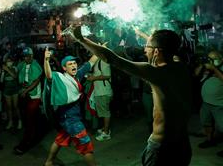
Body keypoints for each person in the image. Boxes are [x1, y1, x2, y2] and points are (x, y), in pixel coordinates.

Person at [69, 26, 192, 166]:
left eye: (147, 46)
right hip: (183, 143)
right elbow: (169, 48)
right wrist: (147, 36)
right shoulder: (180, 66)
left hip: (162, 147)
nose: (145, 49)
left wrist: (81, 39)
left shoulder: (155, 72)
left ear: (157, 51)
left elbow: (112, 59)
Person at [43, 48, 98, 166]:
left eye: (75, 63)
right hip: (71, 119)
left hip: (70, 118)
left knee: (60, 140)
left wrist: (99, 50)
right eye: (70, 64)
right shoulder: (60, 77)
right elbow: (48, 75)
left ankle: (49, 162)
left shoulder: (77, 75)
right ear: (64, 68)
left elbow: (91, 62)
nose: (74, 65)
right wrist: (46, 60)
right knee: (86, 146)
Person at [14, 47, 43, 154]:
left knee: (29, 120)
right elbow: (19, 76)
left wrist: (26, 90)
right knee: (28, 119)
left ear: (32, 55)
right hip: (25, 94)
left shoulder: (36, 65)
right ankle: (31, 138)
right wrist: (22, 84)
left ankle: (25, 144)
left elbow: (36, 81)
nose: (26, 58)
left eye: (28, 56)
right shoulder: (22, 65)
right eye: (24, 56)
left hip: (34, 96)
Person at [194, 50, 223, 156]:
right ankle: (209, 140)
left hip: (219, 104)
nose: (211, 61)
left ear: (220, 58)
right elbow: (196, 75)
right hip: (206, 103)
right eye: (209, 58)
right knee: (206, 123)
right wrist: (202, 65)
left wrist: (214, 69)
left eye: (214, 59)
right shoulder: (206, 67)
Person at [88, 59, 113, 141]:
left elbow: (107, 75)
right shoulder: (98, 61)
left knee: (105, 112)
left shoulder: (103, 61)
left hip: (103, 92)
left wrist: (93, 78)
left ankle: (106, 133)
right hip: (100, 91)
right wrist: (92, 75)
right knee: (103, 112)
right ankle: (105, 128)